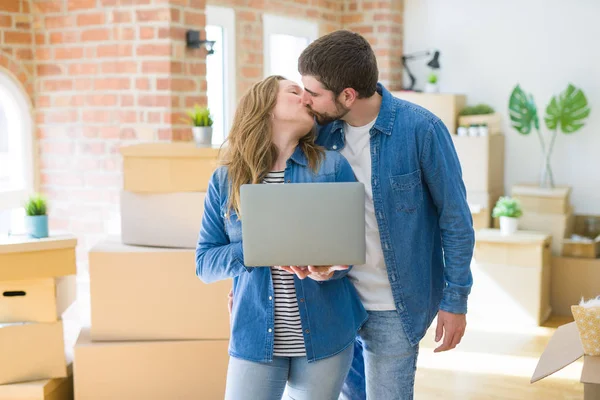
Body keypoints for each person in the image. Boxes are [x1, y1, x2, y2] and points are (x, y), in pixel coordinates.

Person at [295, 30, 475, 399]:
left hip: (394, 305)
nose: (304, 99)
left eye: (312, 92)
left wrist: (455, 302)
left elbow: (455, 219)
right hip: (336, 299)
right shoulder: (319, 134)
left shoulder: (421, 129)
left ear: (347, 95)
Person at [195, 75, 368, 400]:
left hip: (327, 336)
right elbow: (204, 264)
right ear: (265, 107)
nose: (306, 98)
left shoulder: (332, 168)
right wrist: (263, 245)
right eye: (294, 91)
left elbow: (350, 253)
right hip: (254, 336)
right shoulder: (225, 180)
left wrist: (329, 268)